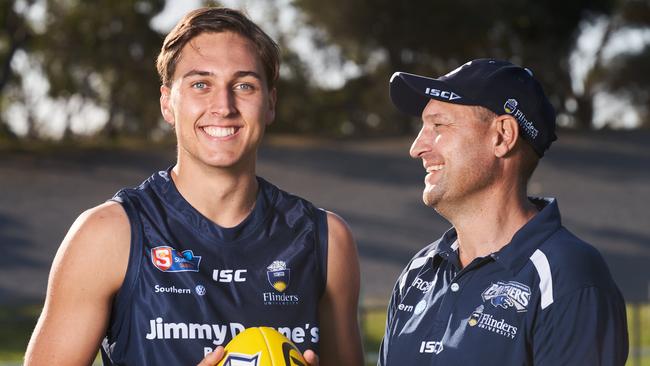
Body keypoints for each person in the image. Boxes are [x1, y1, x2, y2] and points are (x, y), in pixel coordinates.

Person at [25, 7, 363, 366]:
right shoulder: (108, 234)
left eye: (244, 85)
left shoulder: (325, 239)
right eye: (201, 84)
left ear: (270, 103)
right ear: (167, 103)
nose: (224, 106)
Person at [379, 59, 628, 365]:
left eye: (438, 125)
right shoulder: (418, 273)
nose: (417, 147)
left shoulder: (569, 276)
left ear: (502, 136)